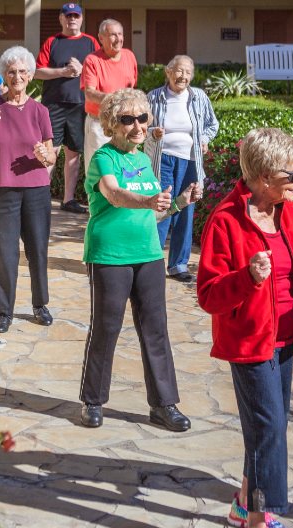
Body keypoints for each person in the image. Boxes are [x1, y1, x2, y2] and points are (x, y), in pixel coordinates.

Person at [197, 127, 293, 528]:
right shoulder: (225, 221)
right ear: (265, 176)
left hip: (285, 338)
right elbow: (209, 296)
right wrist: (247, 277)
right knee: (267, 428)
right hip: (249, 343)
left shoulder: (290, 214)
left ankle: (241, 501)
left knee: (269, 427)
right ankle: (256, 522)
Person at [78, 88, 201, 433]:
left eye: (142, 118)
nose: (137, 126)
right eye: (127, 119)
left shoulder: (143, 160)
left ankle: (164, 405)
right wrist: (149, 201)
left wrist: (178, 202)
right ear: (111, 124)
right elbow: (115, 195)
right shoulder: (104, 158)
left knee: (156, 330)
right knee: (106, 328)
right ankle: (92, 401)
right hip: (110, 255)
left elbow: (156, 213)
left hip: (148, 254)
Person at [0, 46, 56, 334]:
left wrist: (43, 156)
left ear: (30, 76)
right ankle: (4, 312)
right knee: (3, 253)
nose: (16, 76)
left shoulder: (40, 111)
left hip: (36, 190)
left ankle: (39, 305)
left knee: (37, 250)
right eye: (11, 72)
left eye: (22, 71)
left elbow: (51, 156)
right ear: (3, 76)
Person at [145, 55, 219, 282]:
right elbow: (141, 127)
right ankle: (153, 260)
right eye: (179, 71)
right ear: (168, 72)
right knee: (163, 206)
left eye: (188, 72)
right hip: (163, 159)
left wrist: (205, 138)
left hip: (190, 160)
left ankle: (178, 264)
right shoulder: (154, 97)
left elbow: (212, 124)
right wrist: (152, 133)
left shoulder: (199, 97)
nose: (183, 76)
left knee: (185, 210)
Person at [35, 2, 100, 214]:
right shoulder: (52, 41)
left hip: (80, 106)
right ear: (61, 19)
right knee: (49, 150)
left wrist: (81, 72)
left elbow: (99, 71)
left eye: (76, 16)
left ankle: (68, 199)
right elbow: (37, 71)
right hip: (53, 105)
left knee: (74, 154)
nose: (72, 19)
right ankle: (41, 197)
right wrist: (63, 72)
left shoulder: (90, 43)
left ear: (81, 19)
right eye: (68, 16)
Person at [80, 18, 137, 174]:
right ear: (101, 38)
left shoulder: (129, 56)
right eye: (113, 35)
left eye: (120, 34)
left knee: (123, 168)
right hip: (100, 124)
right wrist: (116, 100)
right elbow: (90, 93)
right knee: (99, 169)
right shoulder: (92, 60)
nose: (118, 39)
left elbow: (131, 88)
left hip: (125, 123)